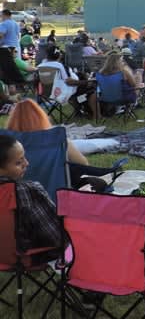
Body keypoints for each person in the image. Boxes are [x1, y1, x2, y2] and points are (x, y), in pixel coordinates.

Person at [0, 134, 65, 263]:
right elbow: (56, 236)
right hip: (26, 256)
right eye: (19, 162)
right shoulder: (27, 190)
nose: (27, 163)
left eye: (24, 157)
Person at [5, 98, 89, 166]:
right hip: (54, 186)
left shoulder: (6, 145)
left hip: (16, 186)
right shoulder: (57, 140)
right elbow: (83, 164)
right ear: (41, 118)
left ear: (12, 120)